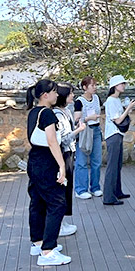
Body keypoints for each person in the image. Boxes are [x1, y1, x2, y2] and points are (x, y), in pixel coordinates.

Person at [26, 79, 71, 266]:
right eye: (53, 92)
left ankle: (38, 242)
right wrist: (61, 166)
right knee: (57, 203)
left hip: (35, 160)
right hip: (46, 162)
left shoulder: (34, 112)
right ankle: (47, 250)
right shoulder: (47, 114)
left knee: (37, 201)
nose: (56, 95)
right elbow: (52, 141)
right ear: (45, 95)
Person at [53, 82, 86, 237]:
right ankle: (58, 224)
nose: (73, 95)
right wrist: (78, 130)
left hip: (69, 152)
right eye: (71, 93)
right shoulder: (58, 114)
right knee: (63, 187)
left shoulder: (65, 110)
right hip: (65, 153)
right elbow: (64, 138)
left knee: (67, 187)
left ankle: (62, 221)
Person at [103, 74, 135, 206]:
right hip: (113, 135)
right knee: (112, 165)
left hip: (117, 135)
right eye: (121, 84)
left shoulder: (116, 100)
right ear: (115, 86)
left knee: (117, 164)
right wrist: (128, 109)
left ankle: (117, 191)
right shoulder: (111, 101)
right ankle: (108, 196)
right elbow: (118, 120)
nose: (124, 86)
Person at [73, 76, 103, 199]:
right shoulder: (79, 101)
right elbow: (76, 120)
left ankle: (95, 187)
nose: (94, 87)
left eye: (95, 85)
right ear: (85, 87)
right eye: (92, 85)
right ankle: (80, 189)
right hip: (85, 131)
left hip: (96, 130)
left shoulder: (96, 98)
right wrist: (88, 118)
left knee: (97, 161)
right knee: (82, 161)